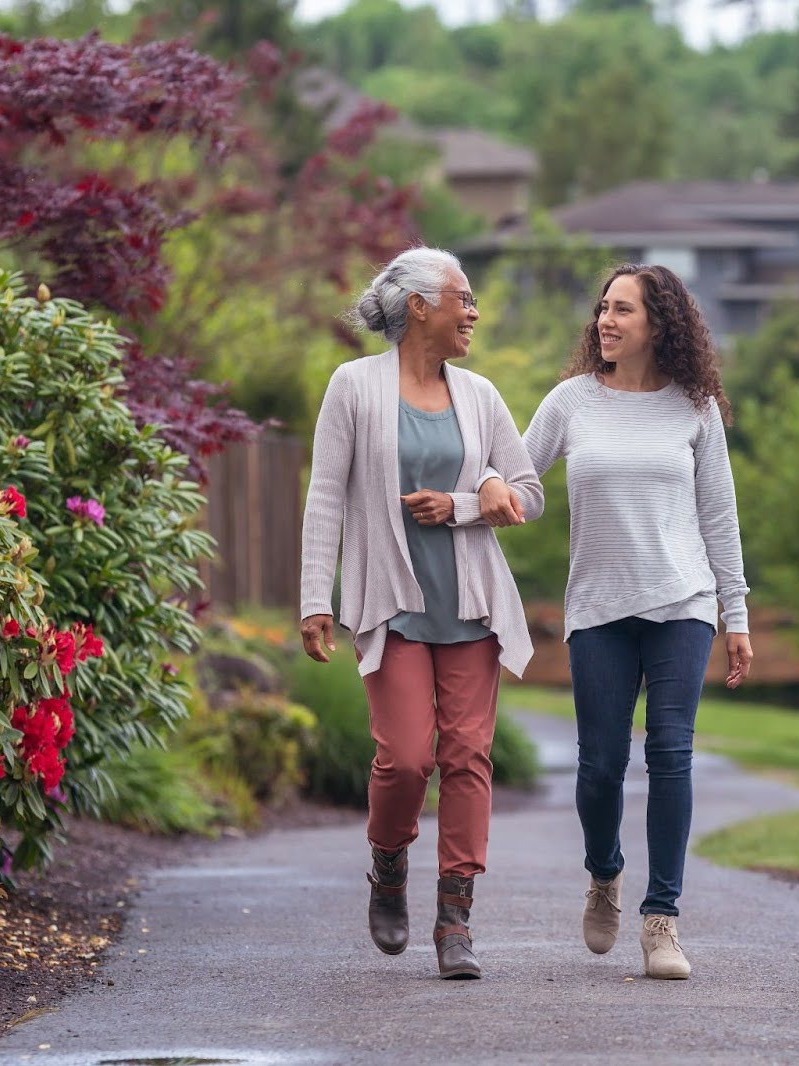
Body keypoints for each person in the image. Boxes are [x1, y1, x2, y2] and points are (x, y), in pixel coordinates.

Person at [480, 263, 753, 980]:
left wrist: (737, 613)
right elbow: (523, 483)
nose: (606, 320)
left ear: (659, 325)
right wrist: (480, 495)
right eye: (603, 308)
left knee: (670, 753)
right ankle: (605, 873)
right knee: (600, 768)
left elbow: (718, 518)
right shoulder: (571, 402)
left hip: (682, 604)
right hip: (598, 607)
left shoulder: (696, 409)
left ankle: (662, 921)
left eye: (623, 310)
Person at [299, 247, 541, 980]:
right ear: (419, 307)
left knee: (467, 757)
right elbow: (325, 496)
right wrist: (316, 597)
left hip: (471, 606)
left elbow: (526, 492)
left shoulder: (482, 396)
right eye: (462, 299)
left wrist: (467, 504)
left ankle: (455, 919)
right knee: (406, 758)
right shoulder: (354, 386)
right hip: (395, 604)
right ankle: (388, 866)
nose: (473, 312)